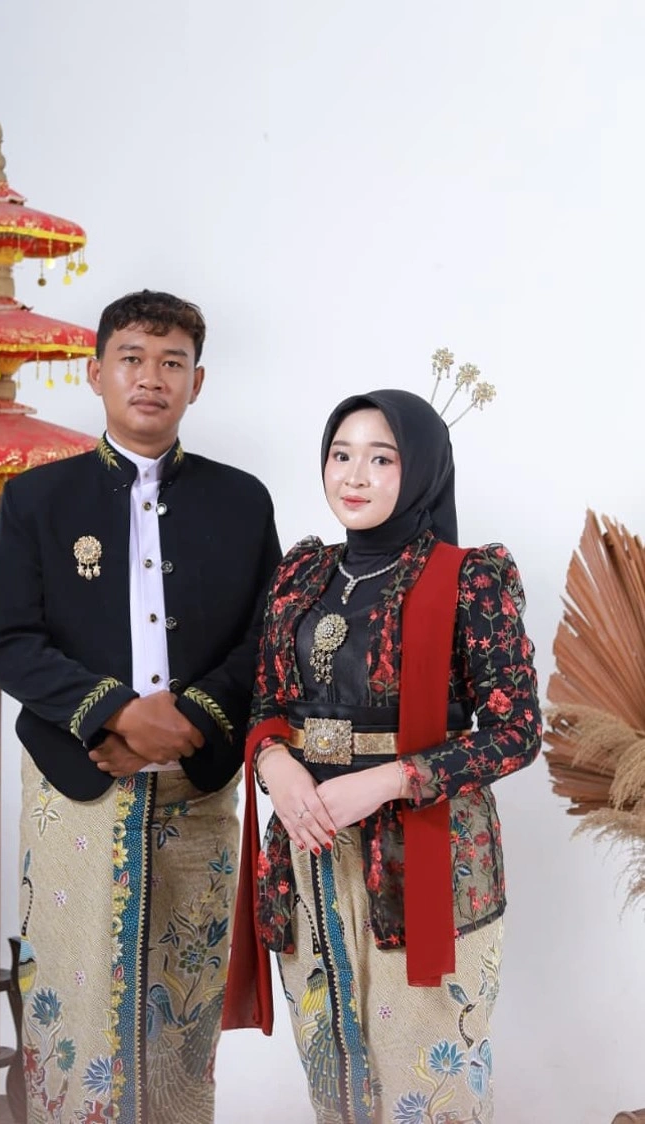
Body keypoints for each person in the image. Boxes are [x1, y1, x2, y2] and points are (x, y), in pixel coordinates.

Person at [0, 289, 281, 1124]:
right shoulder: (37, 499)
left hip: (199, 786)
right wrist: (115, 712)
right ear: (96, 373)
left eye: (172, 362)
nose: (151, 378)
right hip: (75, 784)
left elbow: (267, 638)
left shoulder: (242, 500)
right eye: (132, 359)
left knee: (183, 1009)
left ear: (197, 382)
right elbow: (12, 643)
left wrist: (185, 719)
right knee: (71, 1010)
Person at [224, 390, 542, 1124]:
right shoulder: (303, 574)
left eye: (381, 458)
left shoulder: (469, 578)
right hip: (308, 853)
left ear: (422, 469)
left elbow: (516, 728)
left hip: (420, 856)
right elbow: (265, 701)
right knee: (333, 1073)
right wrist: (273, 763)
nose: (354, 475)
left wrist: (390, 781)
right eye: (341, 455)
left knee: (425, 1086)